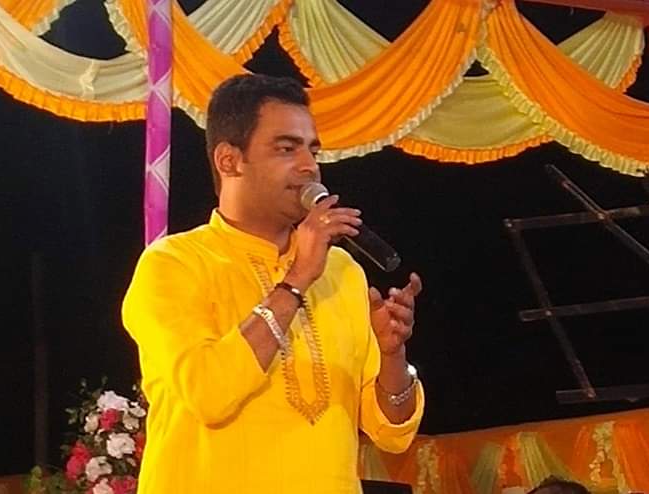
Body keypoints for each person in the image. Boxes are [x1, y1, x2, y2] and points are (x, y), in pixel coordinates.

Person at [122, 74, 425, 494]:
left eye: (312, 150)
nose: (309, 166)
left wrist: (393, 356)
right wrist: (297, 279)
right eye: (286, 148)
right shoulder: (173, 264)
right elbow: (209, 394)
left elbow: (392, 433)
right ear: (229, 161)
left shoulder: (342, 271)